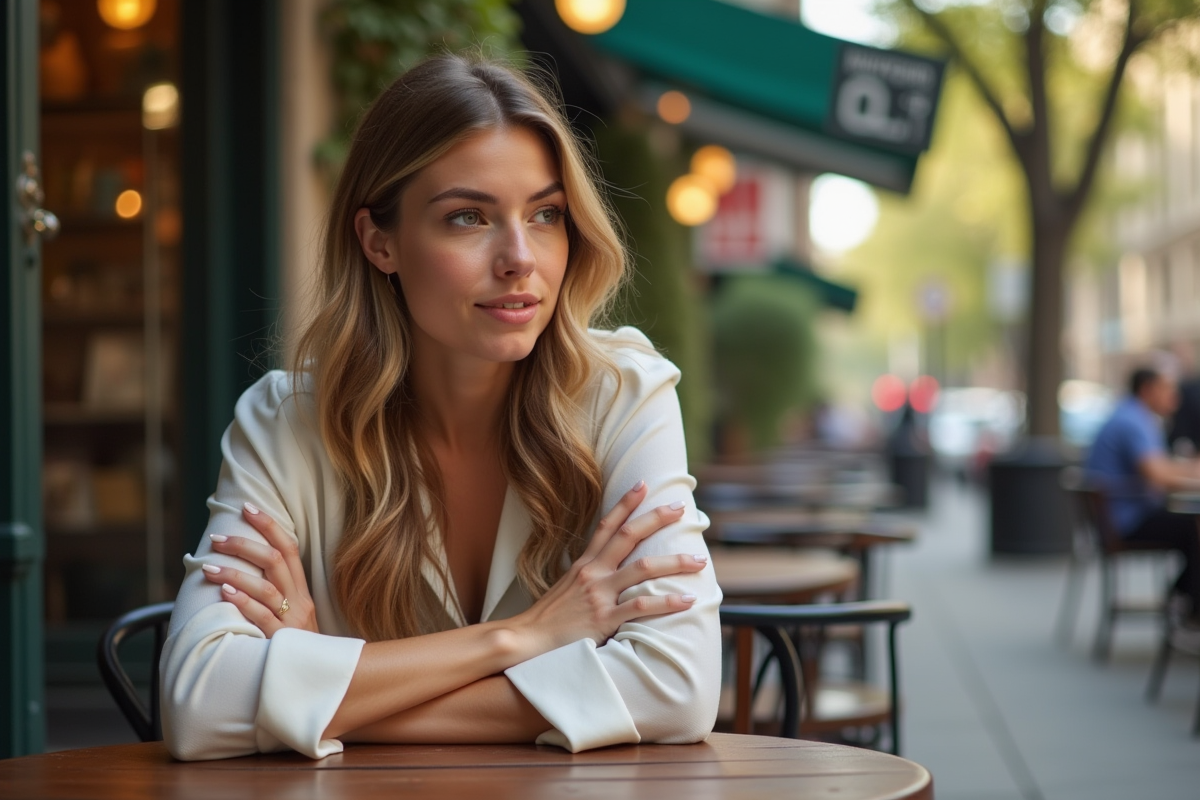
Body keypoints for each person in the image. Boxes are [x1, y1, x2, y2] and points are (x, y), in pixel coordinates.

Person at [160, 54, 722, 761]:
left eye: (546, 214)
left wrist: (330, 678)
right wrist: (522, 637)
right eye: (468, 217)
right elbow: (198, 701)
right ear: (379, 242)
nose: (521, 257)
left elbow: (676, 687)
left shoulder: (624, 396)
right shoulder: (284, 422)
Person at [1085, 363, 1200, 625]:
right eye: (1168, 389)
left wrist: (1187, 469)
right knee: (1194, 527)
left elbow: (1159, 468)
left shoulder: (1132, 415)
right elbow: (1157, 475)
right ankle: (1190, 605)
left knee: (1192, 527)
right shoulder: (1134, 421)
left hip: (1122, 515)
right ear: (1147, 390)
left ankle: (1186, 599)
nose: (1175, 397)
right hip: (1127, 521)